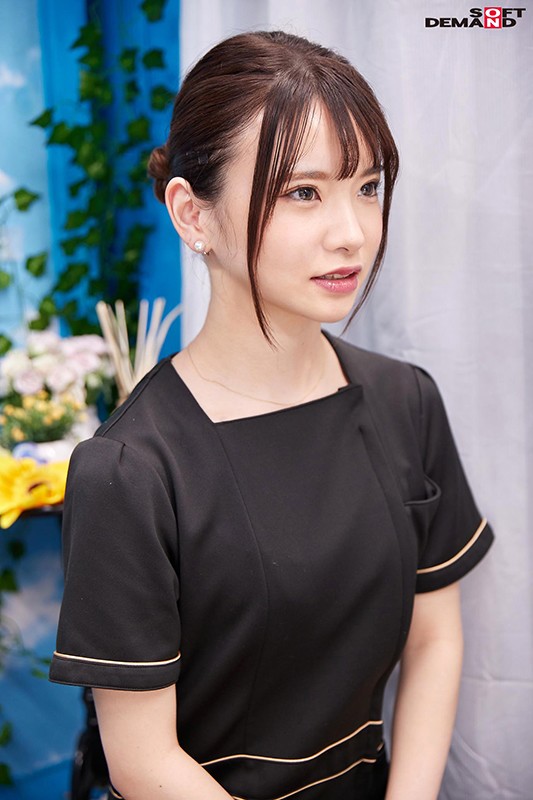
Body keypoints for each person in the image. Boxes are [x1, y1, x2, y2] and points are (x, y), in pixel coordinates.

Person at [50, 30, 494, 800]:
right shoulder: (130, 470)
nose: (351, 232)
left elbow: (433, 640)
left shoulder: (405, 401)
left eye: (367, 186)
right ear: (193, 214)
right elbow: (143, 762)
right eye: (303, 193)